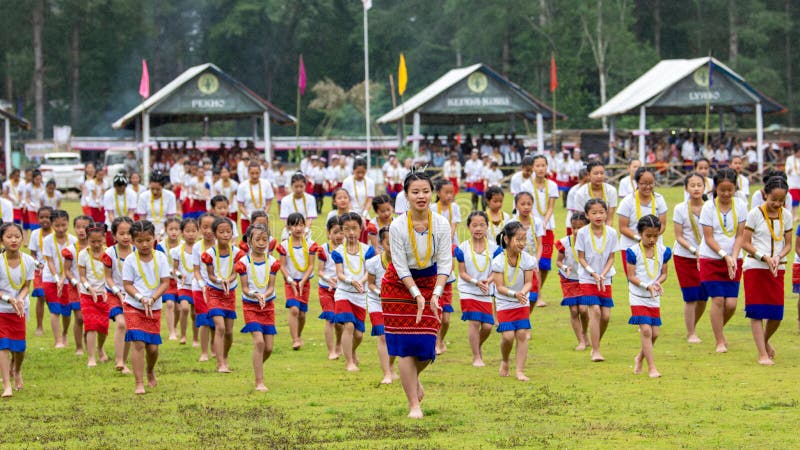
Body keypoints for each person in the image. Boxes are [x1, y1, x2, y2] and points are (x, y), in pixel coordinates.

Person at [381, 171, 451, 418]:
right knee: (405, 346)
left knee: (426, 345)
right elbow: (399, 265)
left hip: (431, 282)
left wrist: (435, 293)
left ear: (432, 194)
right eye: (415, 192)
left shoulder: (441, 223)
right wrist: (415, 294)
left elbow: (445, 262)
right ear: (406, 196)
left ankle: (413, 378)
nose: (421, 196)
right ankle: (414, 404)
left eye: (425, 191)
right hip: (398, 286)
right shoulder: (398, 225)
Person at [741, 177, 792, 365]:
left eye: (781, 200)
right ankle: (762, 354)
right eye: (774, 200)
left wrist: (778, 257)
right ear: (765, 195)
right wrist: (764, 257)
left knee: (776, 313)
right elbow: (746, 243)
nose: (777, 204)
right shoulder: (754, 214)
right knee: (756, 311)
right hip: (755, 267)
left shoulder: (786, 215)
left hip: (777, 268)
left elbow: (788, 244)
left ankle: (764, 341)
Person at [698, 169, 746, 354]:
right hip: (711, 258)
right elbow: (708, 238)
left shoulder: (741, 205)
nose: (726, 194)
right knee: (718, 299)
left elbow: (740, 234)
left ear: (735, 188)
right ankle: (719, 340)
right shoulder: (708, 208)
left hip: (734, 258)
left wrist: (733, 256)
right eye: (722, 189)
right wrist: (724, 255)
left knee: (732, 303)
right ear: (715, 188)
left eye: (730, 189)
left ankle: (718, 328)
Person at [122, 220, 170, 394]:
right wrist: (141, 298)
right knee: (139, 344)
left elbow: (165, 282)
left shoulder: (160, 257)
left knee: (153, 348)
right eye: (140, 241)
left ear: (154, 239)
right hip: (134, 305)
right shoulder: (130, 260)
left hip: (154, 306)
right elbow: (127, 284)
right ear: (134, 241)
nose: (144, 244)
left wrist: (153, 298)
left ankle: (150, 369)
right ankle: (138, 382)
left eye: (148, 240)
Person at [235, 223, 280, 391]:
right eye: (258, 239)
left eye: (265, 239)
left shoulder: (273, 262)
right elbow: (245, 288)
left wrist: (265, 295)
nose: (261, 243)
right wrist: (255, 295)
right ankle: (259, 381)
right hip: (250, 305)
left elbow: (271, 286)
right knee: (259, 342)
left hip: (268, 306)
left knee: (268, 347)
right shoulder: (243, 262)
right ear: (249, 241)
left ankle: (257, 365)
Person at [625, 215, 670, 378]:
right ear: (640, 234)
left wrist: (657, 282)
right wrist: (646, 285)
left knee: (655, 333)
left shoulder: (664, 251)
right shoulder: (633, 252)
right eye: (648, 236)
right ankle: (652, 367)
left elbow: (664, 273)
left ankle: (639, 357)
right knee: (645, 330)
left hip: (653, 296)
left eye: (655, 236)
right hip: (638, 294)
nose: (652, 239)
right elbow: (631, 276)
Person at [575, 199, 618, 362]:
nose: (598, 216)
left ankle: (595, 342)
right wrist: (593, 274)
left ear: (606, 213)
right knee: (596, 311)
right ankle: (596, 350)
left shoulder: (612, 233)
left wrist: (603, 274)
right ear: (587, 215)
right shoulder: (583, 233)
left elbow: (612, 257)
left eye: (601, 212)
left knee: (606, 315)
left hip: (605, 277)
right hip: (587, 277)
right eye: (594, 213)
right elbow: (581, 257)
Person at [332, 213, 376, 372]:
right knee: (348, 325)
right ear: (342, 231)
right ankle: (349, 362)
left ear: (361, 229)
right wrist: (351, 281)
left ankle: (351, 350)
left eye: (354, 229)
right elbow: (339, 274)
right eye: (347, 229)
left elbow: (369, 271)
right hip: (343, 292)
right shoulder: (338, 251)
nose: (351, 233)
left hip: (360, 295)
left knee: (358, 335)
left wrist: (362, 282)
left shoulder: (368, 250)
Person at [492, 221, 535, 381]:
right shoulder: (498, 261)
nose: (522, 243)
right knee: (508, 336)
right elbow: (499, 287)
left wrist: (522, 293)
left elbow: (529, 282)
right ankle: (505, 360)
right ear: (507, 240)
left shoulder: (527, 260)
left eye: (524, 239)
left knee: (522, 334)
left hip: (521, 301)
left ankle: (520, 371)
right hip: (504, 303)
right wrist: (515, 294)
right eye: (518, 239)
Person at [201, 218, 244, 373]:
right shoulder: (209, 254)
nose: (225, 235)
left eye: (228, 231)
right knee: (220, 326)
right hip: (214, 292)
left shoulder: (238, 252)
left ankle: (224, 356)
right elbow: (210, 275)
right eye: (221, 232)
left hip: (229, 293)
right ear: (214, 234)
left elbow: (235, 273)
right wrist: (220, 281)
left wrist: (228, 281)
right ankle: (220, 364)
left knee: (229, 332)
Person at [455, 211, 496, 367]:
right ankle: (476, 357)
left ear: (487, 226)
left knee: (487, 326)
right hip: (468, 289)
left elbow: (496, 271)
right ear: (468, 227)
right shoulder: (462, 248)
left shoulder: (494, 248)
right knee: (474, 322)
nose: (478, 228)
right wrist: (475, 282)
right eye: (474, 225)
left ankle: (477, 346)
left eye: (482, 225)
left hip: (485, 289)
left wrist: (488, 280)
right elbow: (462, 273)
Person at [673, 173, 709, 343]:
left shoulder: (710, 207)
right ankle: (690, 333)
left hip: (706, 257)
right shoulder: (680, 208)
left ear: (704, 187)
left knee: (703, 296)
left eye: (699, 185)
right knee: (691, 296)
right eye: (692, 185)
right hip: (685, 256)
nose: (696, 188)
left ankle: (692, 325)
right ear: (686, 188)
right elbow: (679, 236)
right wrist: (694, 250)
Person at [0, 223, 34, 396]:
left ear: (22, 238)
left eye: (17, 236)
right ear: (1, 240)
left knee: (19, 348)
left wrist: (19, 299)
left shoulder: (28, 261)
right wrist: (8, 299)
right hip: (2, 309)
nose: (13, 240)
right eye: (9, 237)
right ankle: (6, 385)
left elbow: (27, 286)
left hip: (19, 309)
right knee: (3, 345)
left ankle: (17, 370)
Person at [277, 213, 317, 350]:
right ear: (288, 228)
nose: (298, 228)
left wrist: (303, 281)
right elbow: (282, 265)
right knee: (294, 309)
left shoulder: (310, 244)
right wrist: (290, 280)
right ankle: (294, 339)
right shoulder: (284, 245)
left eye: (301, 224)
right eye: (294, 225)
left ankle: (298, 335)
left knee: (301, 313)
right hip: (290, 282)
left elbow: (311, 265)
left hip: (304, 281)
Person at [616, 167, 668, 273]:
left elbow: (662, 224)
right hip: (630, 246)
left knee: (654, 279)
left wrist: (652, 237)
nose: (648, 187)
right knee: (634, 281)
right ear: (637, 183)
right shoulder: (628, 201)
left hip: (653, 246)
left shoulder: (659, 199)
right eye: (644, 183)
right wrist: (640, 239)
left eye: (651, 183)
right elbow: (623, 227)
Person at [41, 210, 77, 349]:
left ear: (68, 223)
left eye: (64, 225)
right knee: (55, 310)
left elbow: (72, 263)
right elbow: (49, 261)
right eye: (57, 226)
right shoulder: (48, 240)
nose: (61, 229)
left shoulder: (73, 241)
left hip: (68, 279)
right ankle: (58, 340)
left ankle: (65, 333)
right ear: (51, 225)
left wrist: (63, 278)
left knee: (66, 310)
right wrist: (57, 278)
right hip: (50, 278)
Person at [103, 217, 134, 373]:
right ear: (114, 236)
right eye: (121, 233)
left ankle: (124, 361)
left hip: (132, 294)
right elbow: (108, 277)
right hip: (114, 293)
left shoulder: (137, 251)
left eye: (129, 233)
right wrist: (117, 292)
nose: (126, 237)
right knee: (121, 323)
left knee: (129, 327)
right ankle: (119, 360)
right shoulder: (109, 253)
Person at [366, 226, 397, 383]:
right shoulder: (373, 263)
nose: (392, 247)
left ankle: (390, 366)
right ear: (381, 244)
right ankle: (386, 373)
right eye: (388, 243)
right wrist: (380, 293)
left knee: (394, 338)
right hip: (377, 302)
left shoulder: (405, 262)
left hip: (396, 304)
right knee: (383, 336)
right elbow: (370, 284)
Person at [556, 212, 590, 350]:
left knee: (583, 309)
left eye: (580, 228)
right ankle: (581, 341)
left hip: (584, 279)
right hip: (568, 280)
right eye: (574, 227)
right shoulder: (565, 243)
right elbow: (558, 261)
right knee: (574, 311)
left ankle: (584, 332)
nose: (576, 231)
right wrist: (565, 267)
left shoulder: (590, 243)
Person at [77, 224, 110, 367]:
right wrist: (89, 288)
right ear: (87, 240)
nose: (96, 245)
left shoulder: (109, 253)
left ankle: (100, 348)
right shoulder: (83, 254)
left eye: (99, 241)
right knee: (90, 325)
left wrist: (107, 289)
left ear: (104, 238)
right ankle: (91, 357)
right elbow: (82, 277)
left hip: (105, 295)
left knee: (103, 326)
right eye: (93, 242)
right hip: (87, 294)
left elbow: (112, 275)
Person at [316, 217, 344, 360]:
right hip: (325, 289)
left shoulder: (348, 250)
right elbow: (320, 271)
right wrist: (329, 279)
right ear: (328, 233)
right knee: (330, 319)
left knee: (340, 322)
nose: (339, 236)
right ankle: (331, 351)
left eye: (341, 232)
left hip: (341, 290)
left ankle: (339, 344)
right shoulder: (323, 249)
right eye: (335, 232)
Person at [530, 155, 559, 293]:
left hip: (547, 228)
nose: (540, 168)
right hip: (530, 228)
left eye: (543, 165)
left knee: (545, 263)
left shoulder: (552, 185)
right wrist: (535, 223)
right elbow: (525, 206)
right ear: (533, 167)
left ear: (547, 167)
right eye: (537, 165)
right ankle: (537, 295)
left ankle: (537, 291)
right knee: (533, 261)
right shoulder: (526, 185)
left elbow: (551, 207)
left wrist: (544, 223)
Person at [509, 192, 544, 305]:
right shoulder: (511, 223)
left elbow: (540, 244)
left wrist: (536, 261)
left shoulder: (537, 222)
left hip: (532, 260)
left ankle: (538, 298)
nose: (526, 207)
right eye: (522, 204)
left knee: (533, 289)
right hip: (517, 260)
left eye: (529, 204)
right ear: (516, 205)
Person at [192, 214, 217, 361]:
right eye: (204, 227)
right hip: (199, 288)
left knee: (215, 320)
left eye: (211, 227)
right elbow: (196, 269)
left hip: (217, 288)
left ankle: (214, 347)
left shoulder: (221, 245)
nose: (208, 231)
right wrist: (202, 284)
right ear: (199, 228)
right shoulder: (197, 247)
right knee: (204, 321)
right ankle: (204, 352)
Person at [171, 218, 198, 345]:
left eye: (194, 231)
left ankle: (195, 338)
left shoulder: (200, 249)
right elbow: (174, 269)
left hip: (196, 285)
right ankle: (182, 335)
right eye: (188, 231)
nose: (191, 234)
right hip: (183, 286)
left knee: (195, 312)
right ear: (182, 232)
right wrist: (179, 275)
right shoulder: (177, 250)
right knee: (185, 308)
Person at [28, 206, 53, 336]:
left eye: (48, 217)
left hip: (53, 270)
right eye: (42, 217)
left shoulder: (56, 233)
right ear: (38, 219)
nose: (45, 220)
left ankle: (55, 320)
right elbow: (32, 254)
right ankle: (39, 326)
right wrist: (38, 264)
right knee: (41, 296)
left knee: (51, 297)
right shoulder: (34, 234)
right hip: (39, 270)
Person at [572, 161, 618, 226]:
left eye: (602, 173)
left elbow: (610, 218)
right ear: (588, 174)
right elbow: (581, 219)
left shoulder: (611, 191)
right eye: (596, 173)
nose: (599, 176)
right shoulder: (580, 193)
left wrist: (606, 233)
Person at [159, 218, 182, 340]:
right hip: (167, 280)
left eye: (176, 229)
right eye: (171, 229)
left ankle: (175, 326)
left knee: (179, 307)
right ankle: (171, 331)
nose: (174, 232)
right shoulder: (160, 246)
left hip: (180, 280)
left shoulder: (183, 245)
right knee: (169, 304)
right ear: (166, 230)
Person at [237, 161, 275, 234]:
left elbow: (268, 203)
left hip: (262, 219)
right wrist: (249, 217)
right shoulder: (242, 186)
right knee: (247, 242)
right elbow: (241, 206)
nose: (255, 176)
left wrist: (263, 216)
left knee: (262, 241)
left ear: (260, 172)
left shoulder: (266, 184)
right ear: (248, 173)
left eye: (257, 173)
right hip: (247, 219)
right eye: (252, 173)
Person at [137, 172, 178, 238]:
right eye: (152, 189)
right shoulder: (143, 196)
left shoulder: (170, 196)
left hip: (166, 230)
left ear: (163, 186)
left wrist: (161, 234)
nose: (155, 192)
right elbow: (142, 219)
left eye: (158, 189)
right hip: (148, 231)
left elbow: (170, 220)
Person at [784, 145, 800, 220]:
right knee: (794, 200)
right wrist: (789, 170)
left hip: (799, 181)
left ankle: (795, 215)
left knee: (798, 199)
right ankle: (794, 215)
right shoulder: (789, 159)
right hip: (793, 182)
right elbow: (787, 169)